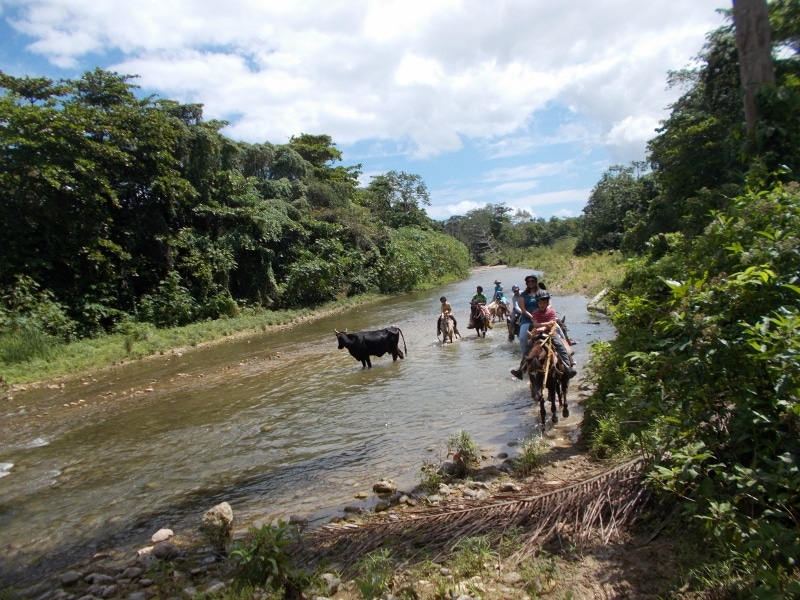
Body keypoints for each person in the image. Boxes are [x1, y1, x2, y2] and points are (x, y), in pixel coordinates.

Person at [511, 289, 576, 380]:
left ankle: (568, 367)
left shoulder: (551, 312)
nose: (542, 304)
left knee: (561, 347)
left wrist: (543, 327)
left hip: (551, 334)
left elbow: (552, 323)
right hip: (538, 334)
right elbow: (535, 324)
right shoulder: (535, 312)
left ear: (547, 303)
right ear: (537, 303)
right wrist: (545, 325)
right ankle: (521, 370)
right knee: (528, 350)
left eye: (544, 302)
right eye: (540, 302)